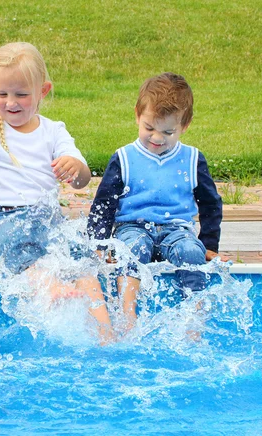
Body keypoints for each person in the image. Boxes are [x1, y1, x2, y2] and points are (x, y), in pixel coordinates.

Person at [0, 42, 113, 341]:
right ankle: (49, 286)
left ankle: (105, 331)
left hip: (46, 219)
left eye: (21, 94)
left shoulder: (54, 131)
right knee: (16, 242)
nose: (11, 102)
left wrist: (75, 168)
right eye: (1, 94)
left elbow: (82, 179)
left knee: (82, 257)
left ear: (43, 91)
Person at [88, 72, 223, 331]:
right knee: (131, 249)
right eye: (149, 128)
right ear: (138, 115)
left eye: (168, 131)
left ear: (185, 125)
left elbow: (210, 204)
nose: (157, 138)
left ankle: (193, 319)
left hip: (177, 230)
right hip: (133, 227)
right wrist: (99, 244)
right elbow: (104, 205)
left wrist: (208, 244)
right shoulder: (124, 157)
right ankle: (128, 315)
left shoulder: (193, 159)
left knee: (190, 252)